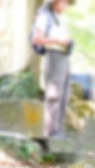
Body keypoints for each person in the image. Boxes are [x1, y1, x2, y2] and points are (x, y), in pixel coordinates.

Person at [31, 0, 74, 138]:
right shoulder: (45, 17)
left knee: (64, 94)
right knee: (54, 95)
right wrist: (57, 41)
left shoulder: (59, 19)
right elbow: (37, 39)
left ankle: (58, 130)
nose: (66, 5)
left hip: (64, 57)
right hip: (53, 56)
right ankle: (51, 132)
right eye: (65, 2)